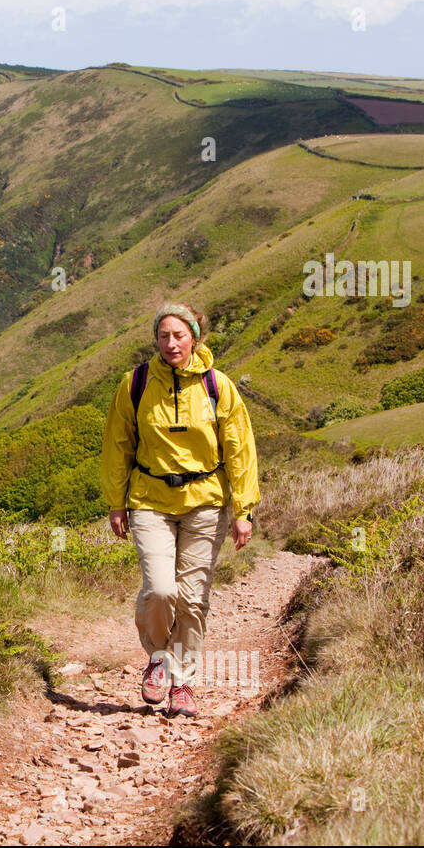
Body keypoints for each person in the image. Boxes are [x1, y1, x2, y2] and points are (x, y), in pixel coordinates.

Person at [99, 302, 259, 718]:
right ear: (155, 338)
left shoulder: (218, 386)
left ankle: (182, 682)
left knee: (192, 598)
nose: (171, 343)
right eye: (163, 335)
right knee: (160, 590)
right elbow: (119, 445)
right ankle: (158, 659)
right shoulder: (135, 384)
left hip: (205, 501)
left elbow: (240, 451)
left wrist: (244, 509)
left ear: (195, 338)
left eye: (179, 335)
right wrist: (116, 502)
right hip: (150, 499)